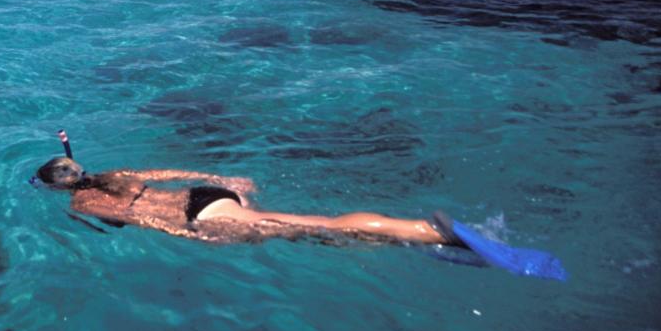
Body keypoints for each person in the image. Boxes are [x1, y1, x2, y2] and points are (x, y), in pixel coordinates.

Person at [32, 132, 451, 247]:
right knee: (309, 235)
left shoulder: (83, 202)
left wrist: (193, 234)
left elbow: (141, 221)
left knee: (320, 224)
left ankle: (422, 231)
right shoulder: (118, 174)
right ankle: (396, 240)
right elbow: (167, 172)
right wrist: (225, 182)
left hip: (203, 218)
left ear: (57, 187)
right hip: (206, 195)